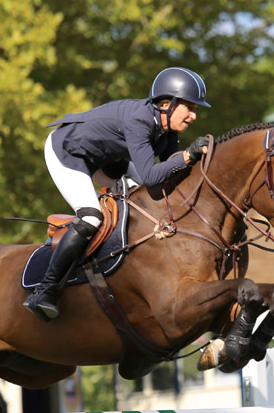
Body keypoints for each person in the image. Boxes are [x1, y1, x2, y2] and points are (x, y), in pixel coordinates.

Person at [23, 67, 212, 321]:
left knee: (145, 197)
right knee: (91, 216)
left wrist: (196, 161)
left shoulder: (168, 128)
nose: (193, 116)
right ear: (167, 104)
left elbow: (168, 171)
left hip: (106, 158)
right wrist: (189, 155)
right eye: (189, 107)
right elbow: (153, 174)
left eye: (196, 109)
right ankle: (45, 290)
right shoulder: (140, 121)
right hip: (68, 150)